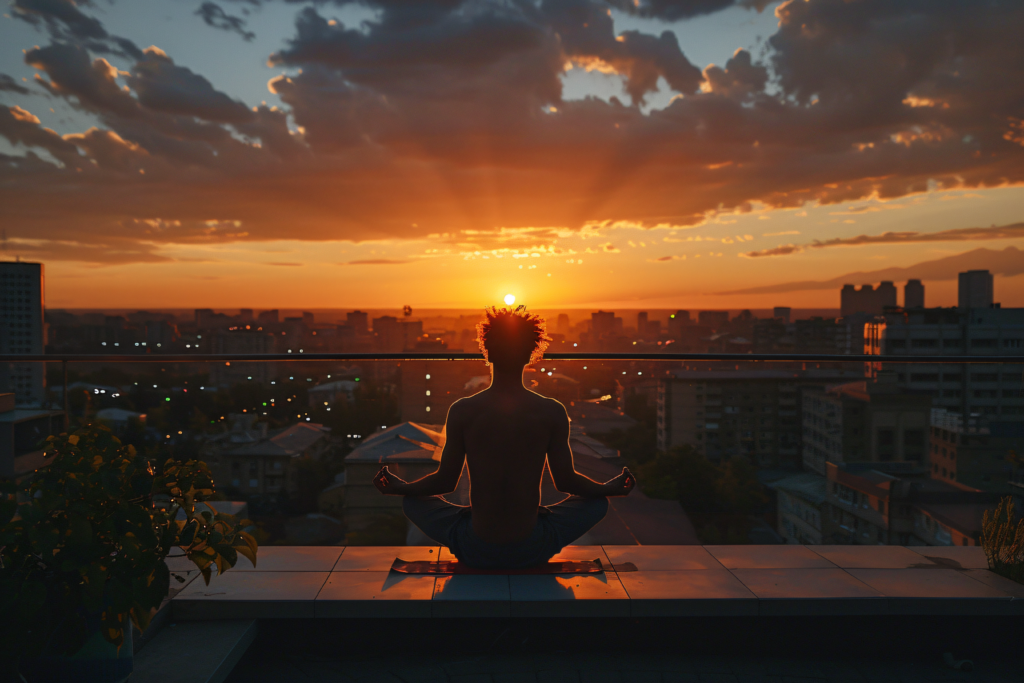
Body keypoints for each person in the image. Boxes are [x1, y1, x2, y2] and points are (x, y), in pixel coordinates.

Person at [373, 306, 634, 568]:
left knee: (413, 503)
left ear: (487, 350)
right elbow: (566, 482)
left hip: (475, 548)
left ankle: (474, 525)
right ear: (530, 354)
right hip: (533, 547)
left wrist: (402, 488)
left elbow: (445, 482)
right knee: (596, 505)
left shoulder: (463, 410)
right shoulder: (551, 411)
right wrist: (606, 489)